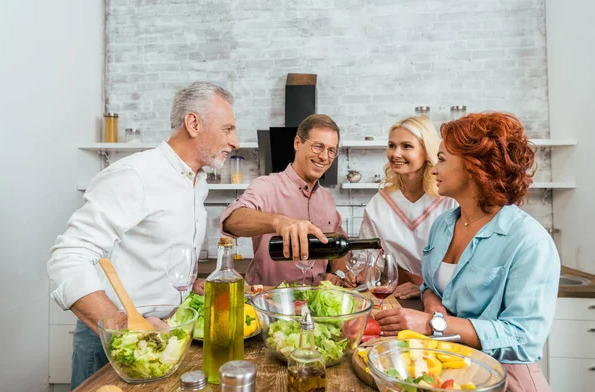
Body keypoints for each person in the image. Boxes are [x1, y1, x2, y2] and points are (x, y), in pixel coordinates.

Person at [47, 81, 239, 389]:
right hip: (112, 343)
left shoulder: (196, 182)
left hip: (164, 332)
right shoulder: (134, 175)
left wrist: (187, 287)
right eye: (228, 129)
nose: (236, 141)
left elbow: (151, 254)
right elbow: (67, 258)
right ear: (193, 123)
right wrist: (124, 326)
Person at [375, 112, 559, 391]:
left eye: (443, 159)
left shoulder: (528, 240)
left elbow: (523, 337)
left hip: (507, 378)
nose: (434, 168)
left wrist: (431, 324)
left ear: (475, 168)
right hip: (453, 371)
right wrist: (432, 303)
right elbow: (431, 286)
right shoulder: (444, 225)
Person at [221, 114, 353, 287]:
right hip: (270, 305)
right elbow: (231, 221)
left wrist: (337, 273)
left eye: (331, 150)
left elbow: (338, 247)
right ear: (297, 143)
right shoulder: (266, 186)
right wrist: (278, 221)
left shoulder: (327, 200)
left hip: (315, 304)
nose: (324, 156)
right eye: (318, 146)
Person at [358, 116, 456, 298]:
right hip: (394, 297)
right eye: (392, 145)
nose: (395, 154)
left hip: (443, 300)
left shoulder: (449, 200)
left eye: (407, 146)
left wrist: (424, 289)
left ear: (427, 152)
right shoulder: (378, 204)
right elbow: (367, 262)